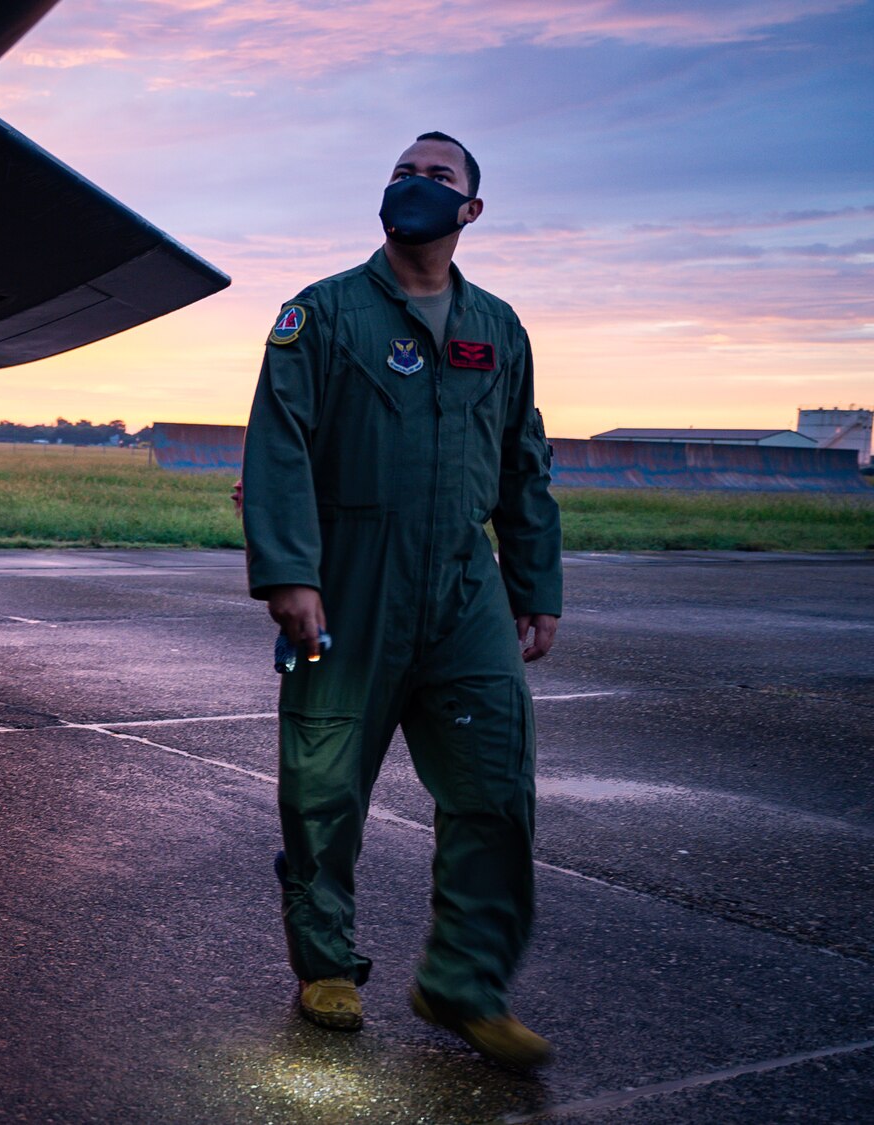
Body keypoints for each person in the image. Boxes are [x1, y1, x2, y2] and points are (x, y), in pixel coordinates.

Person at [240, 131, 562, 1068]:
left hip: (466, 593)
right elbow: (279, 444)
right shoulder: (323, 314)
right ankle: (325, 965)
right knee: (324, 788)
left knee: (496, 790)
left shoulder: (498, 328)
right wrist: (291, 572)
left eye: (439, 178)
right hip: (351, 588)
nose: (414, 185)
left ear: (471, 211)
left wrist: (534, 582)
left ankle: (464, 983)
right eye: (405, 171)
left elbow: (523, 463)